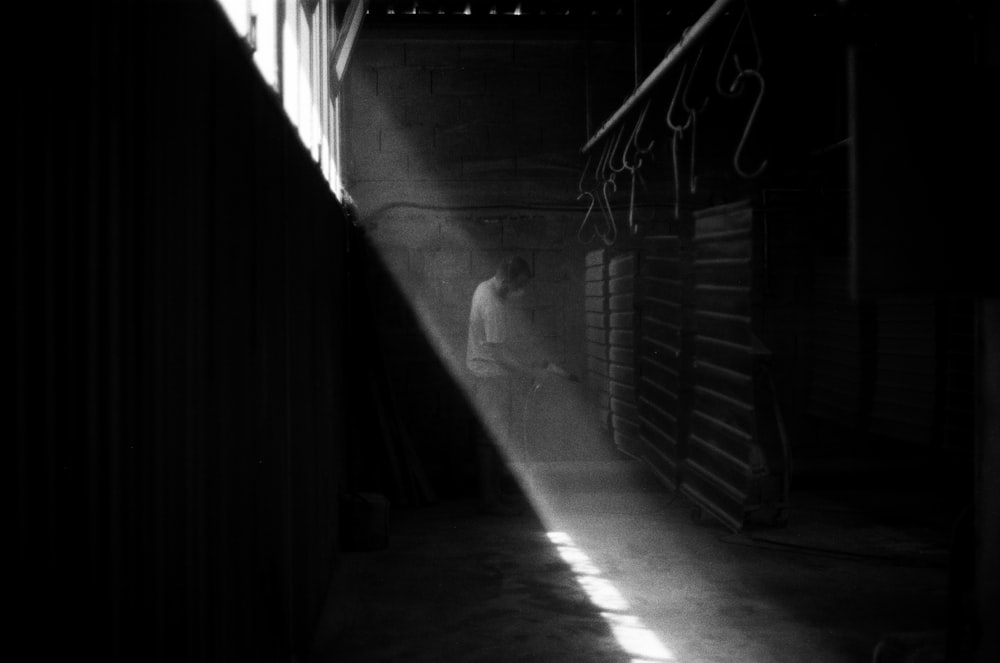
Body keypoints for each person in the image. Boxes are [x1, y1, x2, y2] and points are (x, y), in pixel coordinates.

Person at [466, 256, 547, 515]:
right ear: (505, 279)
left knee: (492, 439)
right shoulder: (492, 305)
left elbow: (500, 346)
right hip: (491, 378)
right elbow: (499, 355)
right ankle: (490, 502)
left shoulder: (484, 288)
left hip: (487, 376)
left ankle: (494, 495)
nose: (519, 291)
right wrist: (530, 372)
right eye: (517, 285)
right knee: (491, 441)